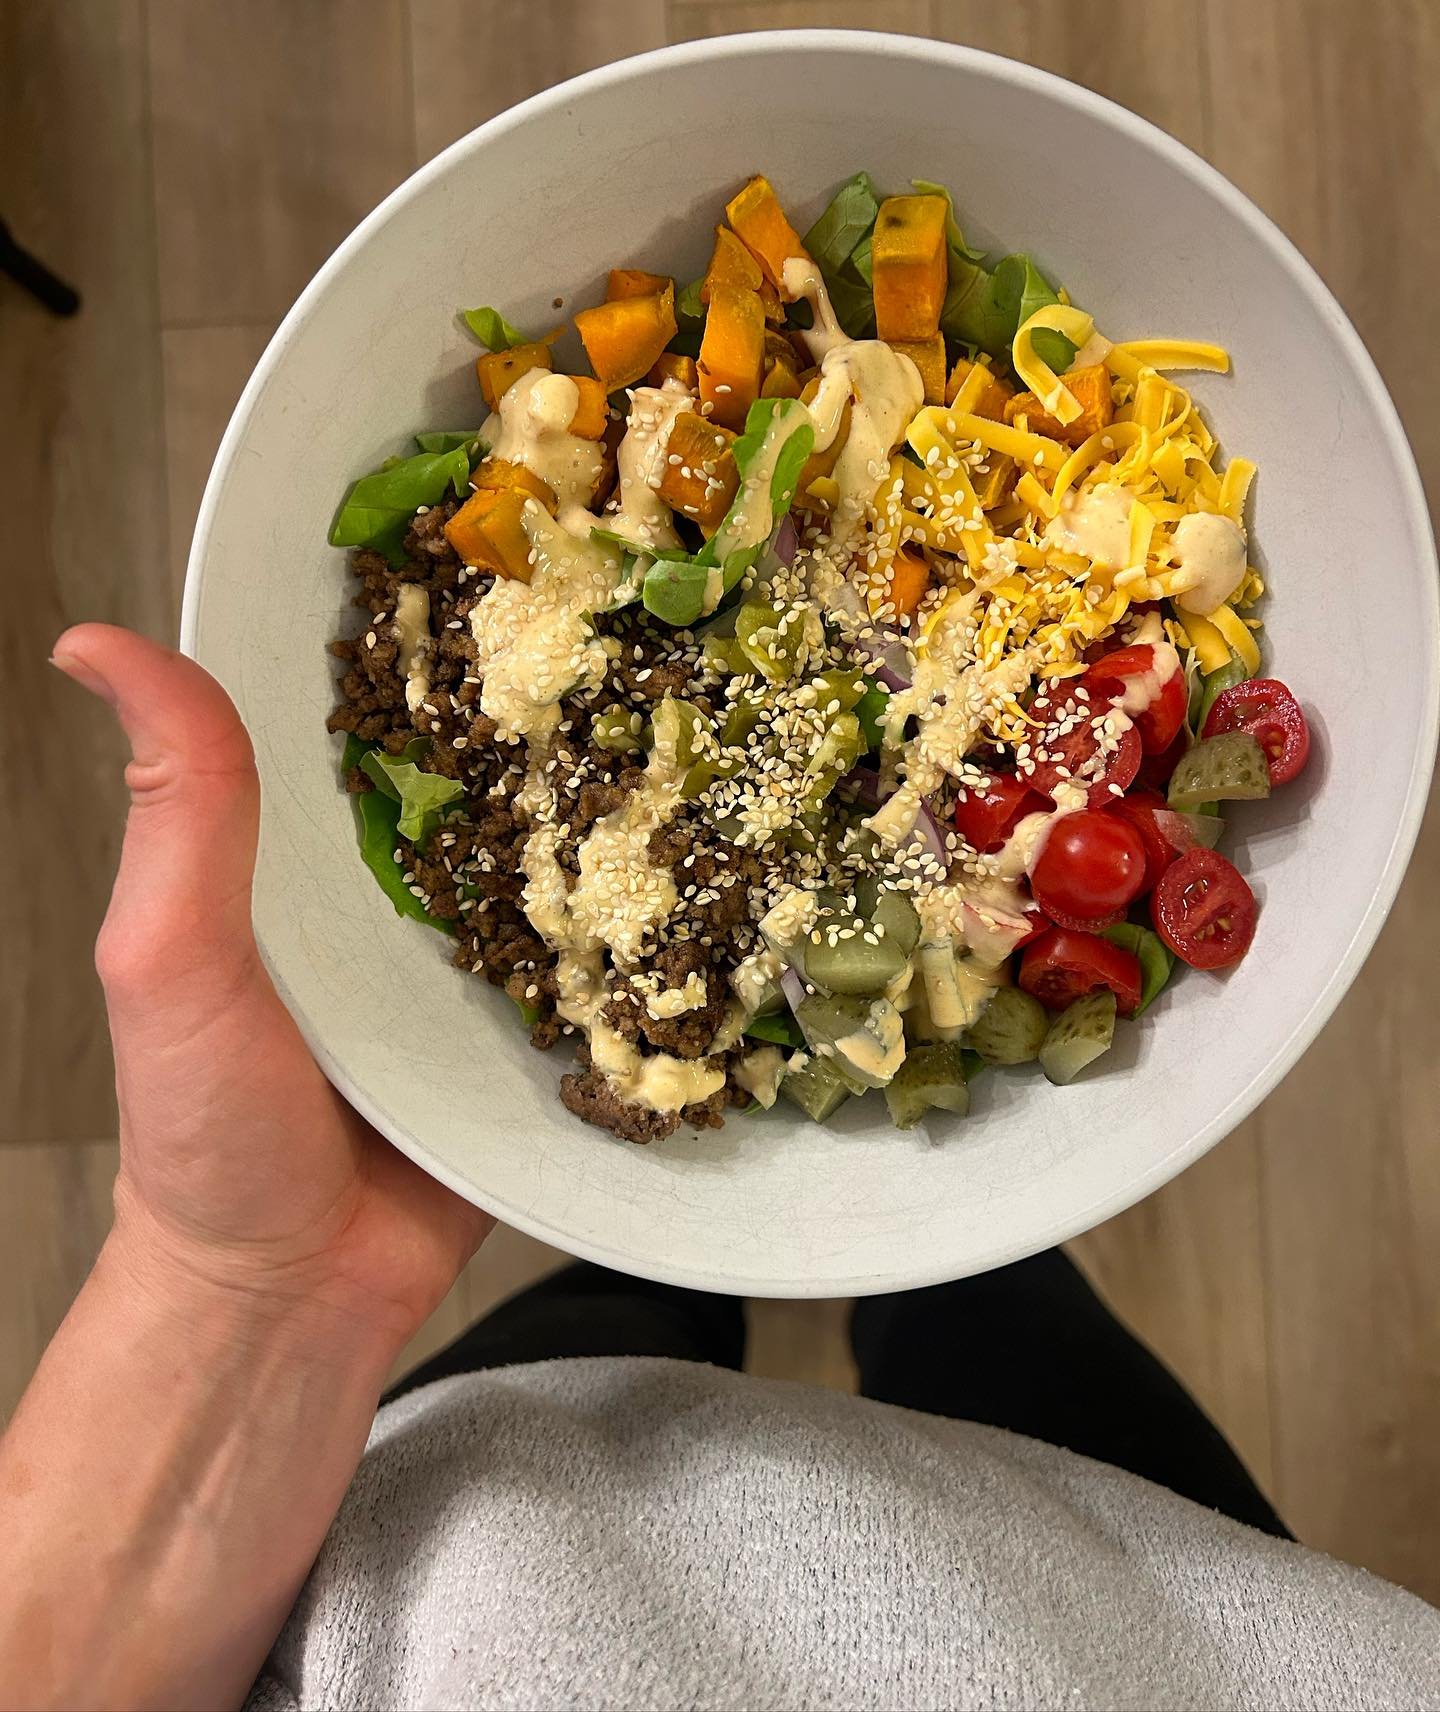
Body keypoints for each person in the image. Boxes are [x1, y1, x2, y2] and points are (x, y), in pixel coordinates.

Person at [2, 624, 1436, 1712]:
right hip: (1178, 1632)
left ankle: (696, 1262)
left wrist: (242, 1299)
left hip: (474, 1541)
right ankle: (937, 1271)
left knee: (612, 1332)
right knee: (997, 1316)